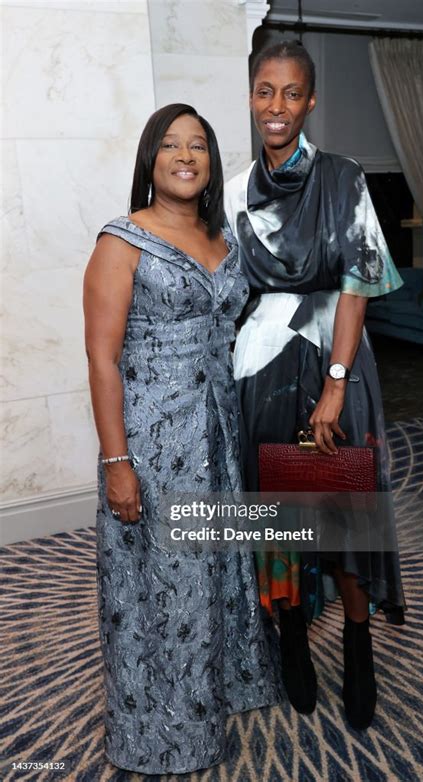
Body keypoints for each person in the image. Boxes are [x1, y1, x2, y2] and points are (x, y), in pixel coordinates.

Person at [83, 103, 282, 776]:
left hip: (220, 429)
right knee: (164, 585)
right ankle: (164, 734)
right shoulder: (124, 240)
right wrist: (117, 462)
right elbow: (102, 359)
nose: (186, 155)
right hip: (155, 439)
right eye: (171, 145)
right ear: (151, 159)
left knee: (220, 569)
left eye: (198, 144)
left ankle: (220, 688)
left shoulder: (222, 235)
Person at [225, 41, 406, 729]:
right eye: (265, 91)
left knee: (345, 514)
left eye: (292, 92)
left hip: (337, 356)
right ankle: (293, 641)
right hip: (262, 366)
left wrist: (335, 381)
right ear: (251, 98)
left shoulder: (343, 176)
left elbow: (357, 283)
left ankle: (358, 647)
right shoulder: (237, 189)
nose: (278, 106)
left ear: (310, 100)